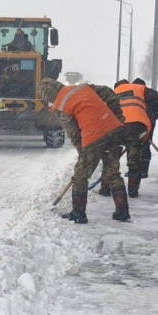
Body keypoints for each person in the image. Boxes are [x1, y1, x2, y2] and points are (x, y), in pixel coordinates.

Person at [40, 77, 132, 224]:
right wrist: (117, 117)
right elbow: (109, 92)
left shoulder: (60, 105)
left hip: (94, 136)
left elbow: (74, 133)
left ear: (49, 96)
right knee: (113, 173)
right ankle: (122, 211)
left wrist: (83, 153)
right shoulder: (83, 88)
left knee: (80, 177)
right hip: (113, 129)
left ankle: (78, 214)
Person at [132, 78, 158, 178]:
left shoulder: (145, 93)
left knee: (143, 144)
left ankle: (142, 171)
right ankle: (138, 170)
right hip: (143, 121)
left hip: (146, 121)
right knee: (140, 144)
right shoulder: (149, 94)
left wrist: (149, 113)